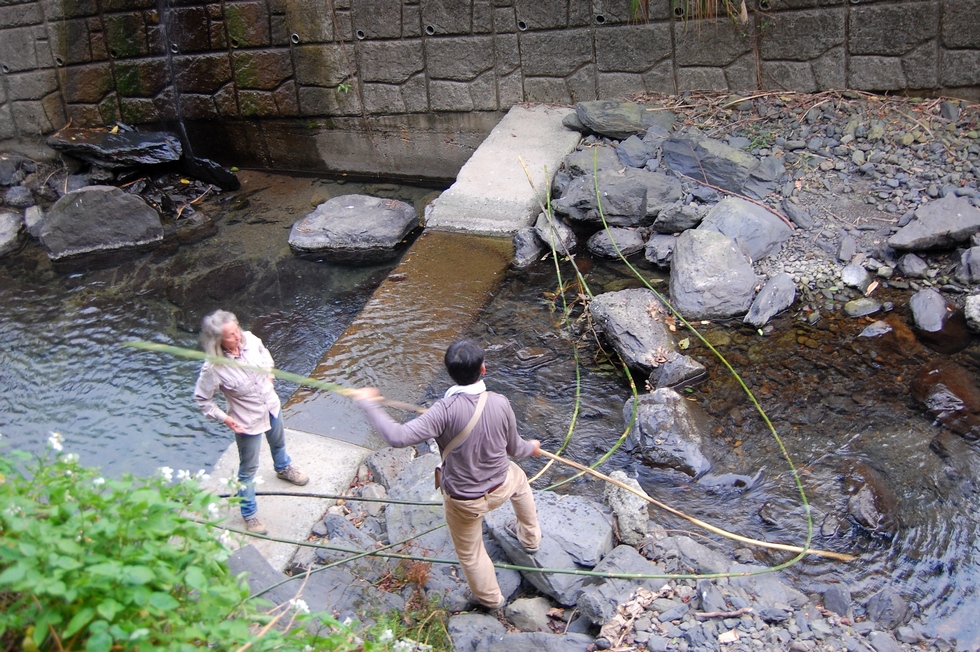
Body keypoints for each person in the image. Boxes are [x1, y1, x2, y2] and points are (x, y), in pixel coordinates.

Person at [351, 338, 542, 610]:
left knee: (470, 553)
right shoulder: (500, 402)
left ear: (449, 372)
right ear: (483, 369)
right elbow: (515, 447)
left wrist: (369, 404)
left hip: (465, 500)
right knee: (520, 480)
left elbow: (397, 436)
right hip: (502, 484)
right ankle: (530, 540)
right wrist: (532, 448)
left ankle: (492, 600)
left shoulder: (443, 410)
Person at [193, 309, 308, 535]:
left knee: (278, 443)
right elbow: (202, 399)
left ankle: (283, 468)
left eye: (237, 330)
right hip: (246, 421)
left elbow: (264, 354)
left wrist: (268, 372)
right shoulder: (214, 368)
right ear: (218, 340)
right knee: (248, 469)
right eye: (231, 335)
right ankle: (249, 514)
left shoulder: (251, 339)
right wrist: (225, 418)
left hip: (271, 406)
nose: (238, 337)